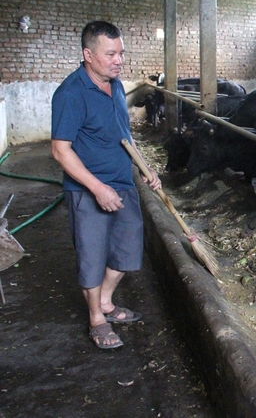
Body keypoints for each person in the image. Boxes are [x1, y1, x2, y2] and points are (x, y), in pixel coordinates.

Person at [51, 21, 161, 349]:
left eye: (121, 53)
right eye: (110, 53)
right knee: (92, 256)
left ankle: (106, 303)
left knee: (128, 249)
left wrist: (143, 166)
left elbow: (123, 136)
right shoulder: (71, 93)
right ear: (88, 54)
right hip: (87, 190)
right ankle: (96, 319)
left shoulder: (114, 87)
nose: (119, 60)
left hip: (123, 182)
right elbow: (60, 150)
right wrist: (97, 188)